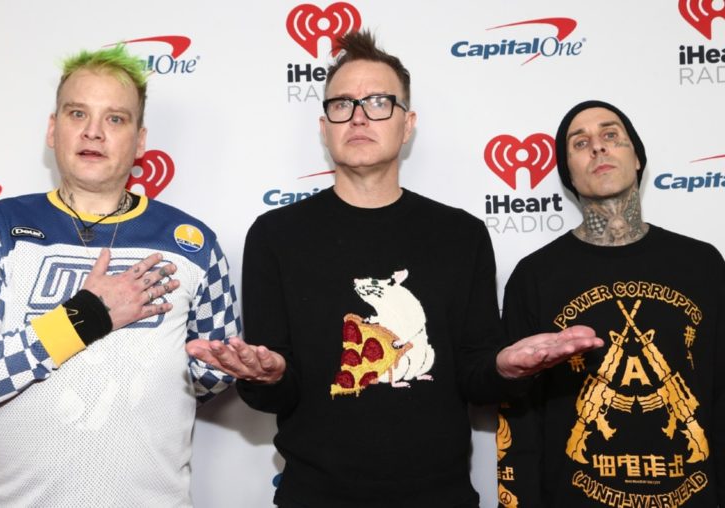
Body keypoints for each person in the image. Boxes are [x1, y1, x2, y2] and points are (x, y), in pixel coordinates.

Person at [185, 31, 601, 508]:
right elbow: (272, 394)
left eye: (379, 102)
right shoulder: (274, 236)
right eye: (342, 104)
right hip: (314, 497)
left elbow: (475, 374)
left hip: (439, 497)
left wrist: (505, 367)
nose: (359, 116)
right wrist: (267, 376)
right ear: (324, 127)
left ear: (408, 125)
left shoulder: (461, 235)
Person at [0, 45, 240, 506]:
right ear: (53, 130)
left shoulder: (193, 243)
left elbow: (208, 375)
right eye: (77, 114)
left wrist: (236, 368)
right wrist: (83, 319)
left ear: (140, 141)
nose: (93, 131)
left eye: (115, 118)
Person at [496, 100, 724, 507]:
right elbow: (520, 419)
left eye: (610, 135)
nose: (598, 147)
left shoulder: (702, 264)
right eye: (580, 143)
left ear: (636, 158)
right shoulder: (535, 276)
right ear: (568, 173)